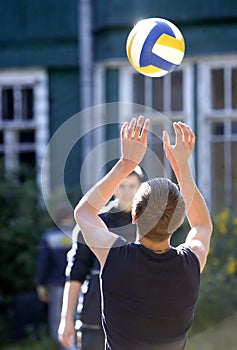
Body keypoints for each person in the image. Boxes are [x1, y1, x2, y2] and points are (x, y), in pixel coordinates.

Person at [73, 116, 213, 350]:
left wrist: (126, 163)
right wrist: (182, 169)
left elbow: (84, 212)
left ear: (134, 216)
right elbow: (202, 225)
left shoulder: (114, 255)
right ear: (178, 223)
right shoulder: (190, 263)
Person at [58, 167, 144, 350]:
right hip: (94, 318)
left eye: (132, 186)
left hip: (135, 321)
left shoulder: (150, 225)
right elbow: (75, 273)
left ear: (141, 188)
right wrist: (66, 318)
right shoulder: (93, 223)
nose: (127, 192)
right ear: (113, 188)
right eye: (122, 186)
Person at [36, 204, 77, 350]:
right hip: (77, 286)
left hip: (55, 287)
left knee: (58, 322)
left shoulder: (49, 237)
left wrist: (41, 285)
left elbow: (43, 264)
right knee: (76, 320)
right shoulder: (78, 235)